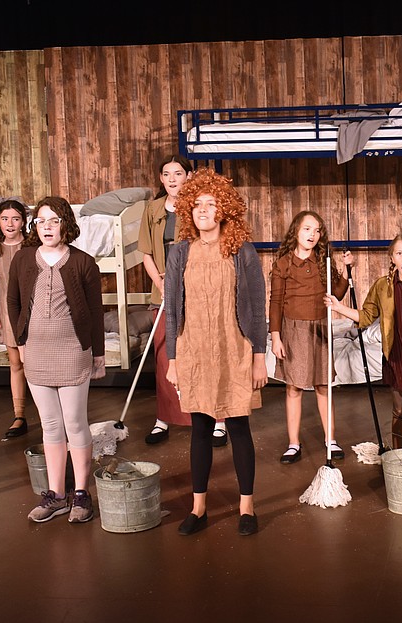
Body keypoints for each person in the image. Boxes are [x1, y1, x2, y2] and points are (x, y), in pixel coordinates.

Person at [164, 169, 267, 536]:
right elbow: (173, 309)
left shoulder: (242, 251)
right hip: (194, 352)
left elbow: (256, 306)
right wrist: (173, 359)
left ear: (224, 210)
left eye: (211, 204)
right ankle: (199, 508)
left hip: (234, 350)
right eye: (197, 204)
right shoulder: (179, 253)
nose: (203, 210)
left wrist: (259, 355)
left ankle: (246, 508)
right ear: (187, 209)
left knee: (238, 426)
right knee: (200, 428)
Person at [8, 196, 106, 524]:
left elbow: (94, 312)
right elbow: (13, 302)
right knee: (49, 425)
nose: (46, 227)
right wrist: (20, 343)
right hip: (36, 352)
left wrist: (99, 354)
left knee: (75, 423)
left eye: (53, 220)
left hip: (73, 352)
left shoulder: (83, 262)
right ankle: (56, 495)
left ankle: (80, 493)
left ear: (65, 223)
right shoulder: (23, 259)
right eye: (41, 221)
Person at [326, 232, 402, 484]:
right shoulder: (383, 286)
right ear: (392, 257)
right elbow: (367, 315)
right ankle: (399, 456)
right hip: (398, 356)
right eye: (399, 253)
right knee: (399, 409)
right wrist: (339, 308)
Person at [136, 156, 221, 447]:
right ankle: (164, 418)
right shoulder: (152, 209)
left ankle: (217, 419)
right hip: (163, 291)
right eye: (166, 174)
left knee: (204, 352)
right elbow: (146, 253)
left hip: (197, 290)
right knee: (164, 356)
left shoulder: (199, 207)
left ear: (188, 176)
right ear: (161, 179)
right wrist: (161, 283)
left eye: (178, 173)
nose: (172, 179)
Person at [269, 210, 349, 464]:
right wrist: (276, 336)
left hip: (319, 329)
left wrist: (346, 270)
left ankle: (331, 440)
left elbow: (337, 292)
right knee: (293, 387)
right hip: (293, 330)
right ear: (296, 231)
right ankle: (293, 443)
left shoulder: (323, 261)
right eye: (307, 229)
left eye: (317, 230)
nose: (312, 235)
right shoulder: (283, 263)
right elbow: (276, 302)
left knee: (323, 386)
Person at [0, 199, 40, 440]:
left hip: (34, 309)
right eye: (5, 219)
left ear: (23, 222)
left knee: (35, 363)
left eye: (15, 219)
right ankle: (19, 416)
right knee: (16, 362)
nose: (10, 223)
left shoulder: (32, 245)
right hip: (8, 312)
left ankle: (50, 414)